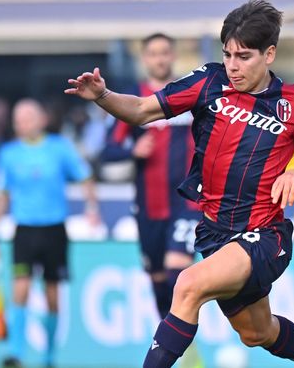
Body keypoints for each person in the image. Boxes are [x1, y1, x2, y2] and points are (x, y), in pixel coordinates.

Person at [66, 0, 294, 368]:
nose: (233, 66)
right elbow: (140, 110)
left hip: (266, 235)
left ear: (270, 54)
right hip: (216, 232)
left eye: (244, 56)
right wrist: (103, 96)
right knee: (257, 334)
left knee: (186, 284)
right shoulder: (208, 81)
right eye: (228, 54)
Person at [101, 33, 203, 367]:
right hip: (148, 207)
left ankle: (191, 358)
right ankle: (177, 351)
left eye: (165, 52)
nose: (160, 59)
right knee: (159, 283)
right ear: (145, 59)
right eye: (154, 54)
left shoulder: (188, 95)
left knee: (177, 276)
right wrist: (133, 150)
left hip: (187, 202)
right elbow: (108, 149)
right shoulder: (134, 102)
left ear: (172, 56)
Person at [0, 98, 100, 368]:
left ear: (42, 120)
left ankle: (49, 355)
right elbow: (2, 195)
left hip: (54, 230)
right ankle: (16, 353)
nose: (22, 123)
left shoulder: (59, 148)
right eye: (18, 118)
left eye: (27, 117)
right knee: (20, 287)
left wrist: (92, 207)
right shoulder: (9, 154)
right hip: (24, 230)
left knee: (52, 293)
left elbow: (85, 176)